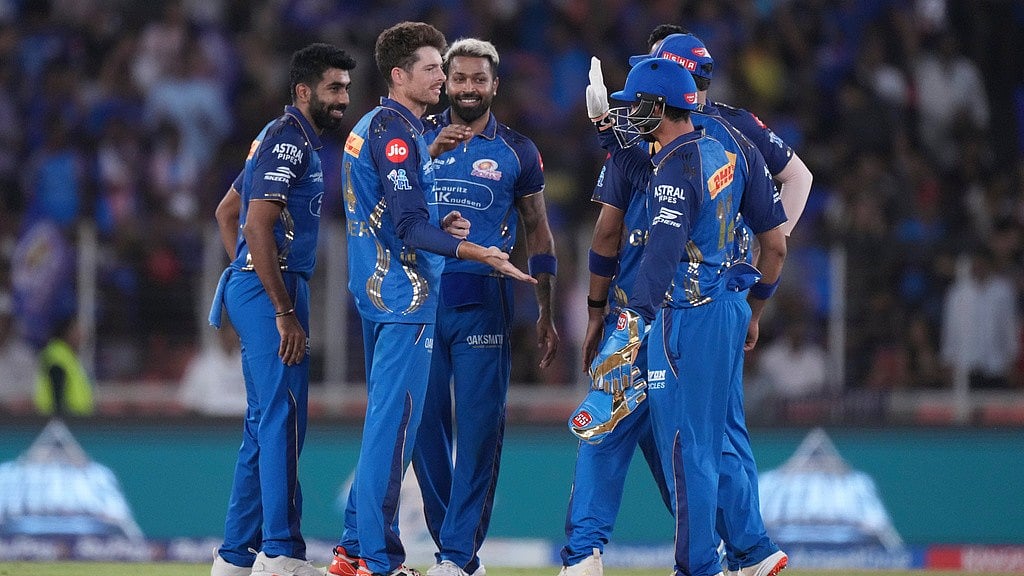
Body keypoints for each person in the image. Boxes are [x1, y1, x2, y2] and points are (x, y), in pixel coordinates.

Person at [562, 29, 793, 576]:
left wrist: (615, 320)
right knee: (718, 439)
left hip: (668, 311)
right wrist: (753, 308)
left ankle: (601, 556)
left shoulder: (665, 161)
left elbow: (614, 236)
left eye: (638, 98)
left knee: (640, 435)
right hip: (723, 305)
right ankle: (751, 550)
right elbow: (778, 240)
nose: (631, 110)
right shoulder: (734, 140)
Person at [329, 22, 536, 576]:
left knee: (387, 424)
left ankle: (352, 550)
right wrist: (475, 250)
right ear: (399, 76)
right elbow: (409, 229)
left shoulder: (377, 126)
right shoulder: (398, 134)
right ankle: (377, 560)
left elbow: (388, 214)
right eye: (432, 69)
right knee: (394, 432)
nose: (442, 78)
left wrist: (438, 222)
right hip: (406, 298)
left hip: (379, 295)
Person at [410, 38, 559, 576]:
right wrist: (426, 157)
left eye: (479, 80)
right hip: (419, 301)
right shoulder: (417, 138)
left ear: (495, 85)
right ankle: (454, 549)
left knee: (478, 433)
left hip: (483, 304)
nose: (468, 89)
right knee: (423, 431)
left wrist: (545, 309)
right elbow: (380, 206)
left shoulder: (518, 151)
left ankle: (455, 557)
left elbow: (539, 232)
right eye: (459, 79)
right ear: (444, 83)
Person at [207, 42, 356, 576]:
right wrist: (277, 303)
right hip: (278, 293)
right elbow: (249, 224)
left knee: (265, 423)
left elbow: (227, 211)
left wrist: (248, 272)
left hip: (268, 286)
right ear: (303, 91)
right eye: (334, 88)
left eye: (345, 87)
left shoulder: (283, 139)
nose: (343, 98)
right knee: (282, 421)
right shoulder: (290, 143)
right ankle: (281, 553)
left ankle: (234, 558)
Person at [177, 319, 246, 417]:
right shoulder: (203, 364)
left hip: (243, 423)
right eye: (228, 333)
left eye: (235, 334)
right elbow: (188, 401)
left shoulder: (249, 364)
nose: (231, 338)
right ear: (220, 334)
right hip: (212, 424)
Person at [34, 314, 94, 417]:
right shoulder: (57, 356)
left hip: (76, 419)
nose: (82, 335)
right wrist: (61, 418)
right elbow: (57, 391)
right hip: (66, 420)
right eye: (77, 330)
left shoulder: (68, 356)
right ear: (67, 332)